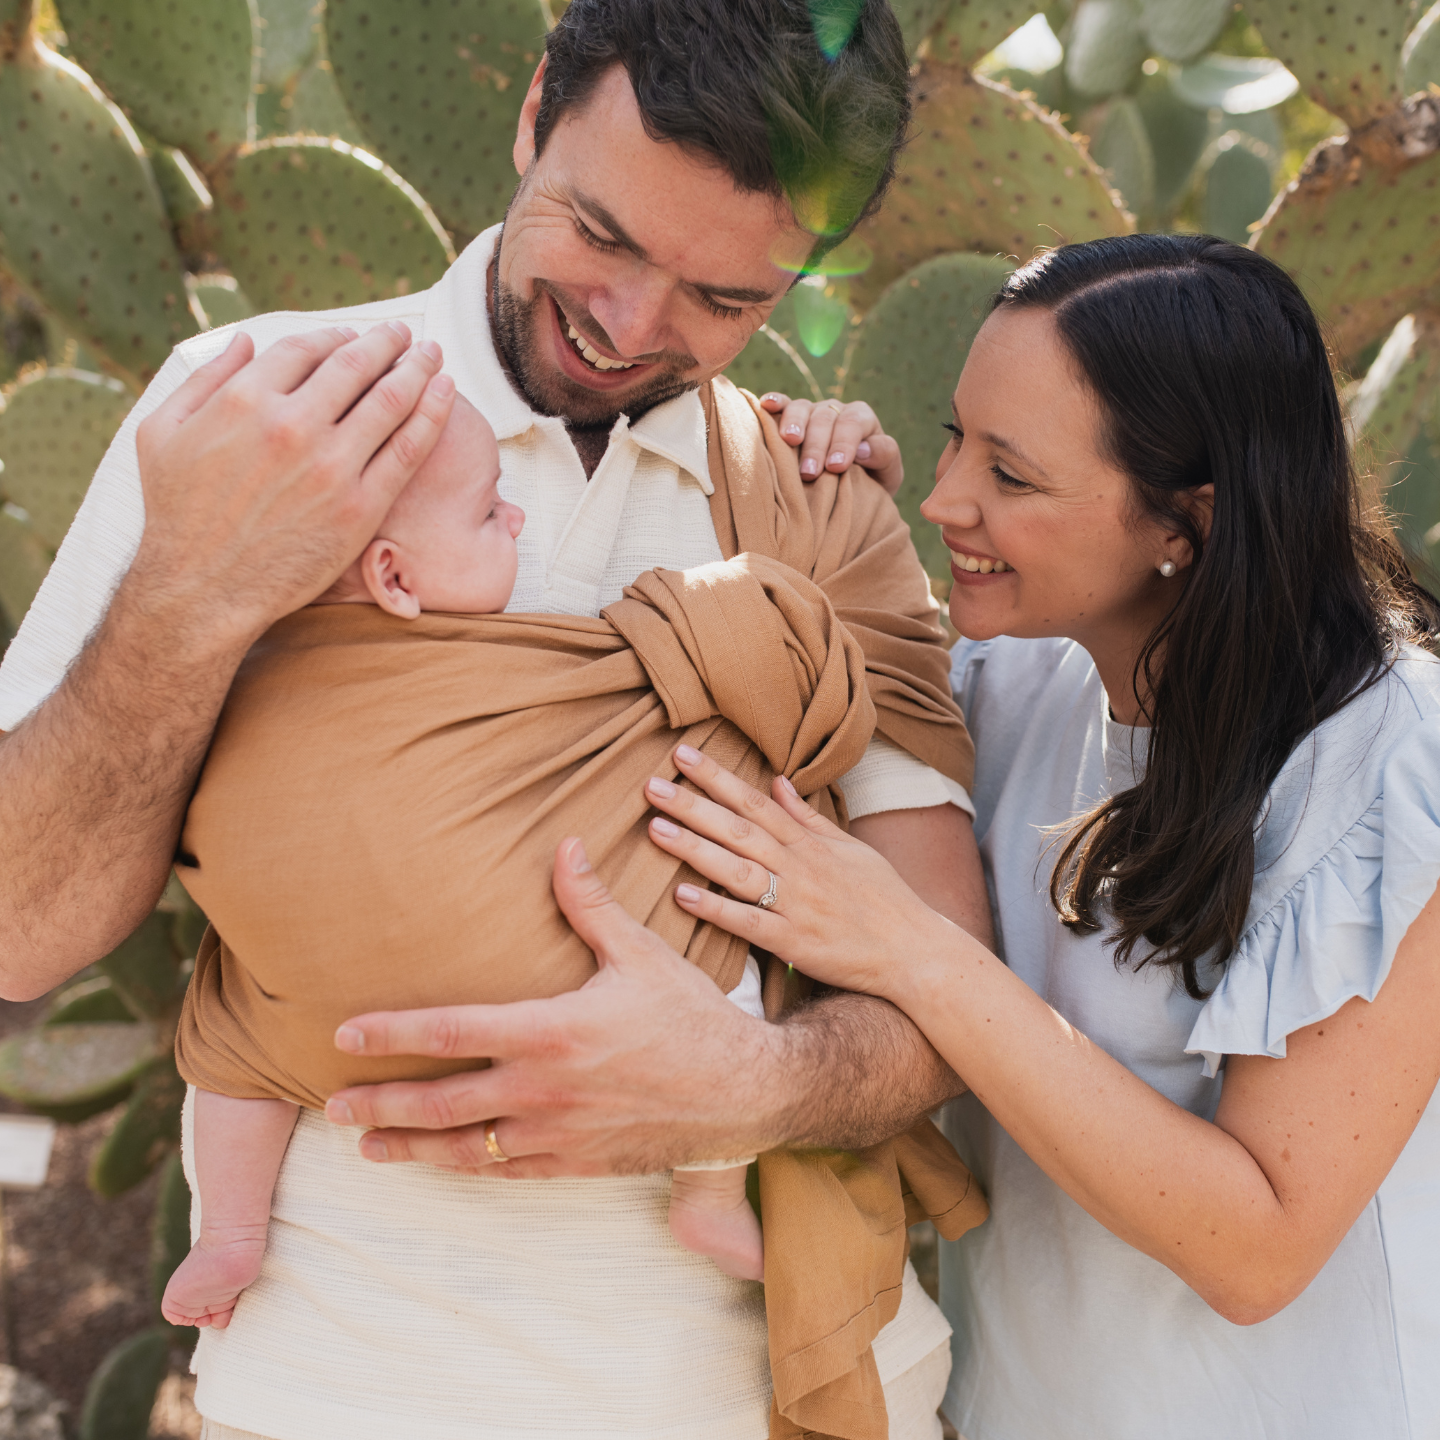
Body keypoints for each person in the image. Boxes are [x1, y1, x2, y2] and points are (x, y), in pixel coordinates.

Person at [0, 3, 993, 1437]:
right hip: (345, 1397)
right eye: (605, 234)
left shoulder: (816, 506)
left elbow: (952, 985)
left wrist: (755, 1087)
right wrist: (184, 598)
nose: (633, 328)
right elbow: (22, 929)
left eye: (726, 301)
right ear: (534, 110)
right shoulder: (251, 414)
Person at [629, 233, 1440, 1440]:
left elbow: (1260, 1245)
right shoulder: (1000, 690)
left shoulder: (1391, 754)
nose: (946, 497)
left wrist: (915, 951)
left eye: (1011, 474)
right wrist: (810, 489)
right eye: (955, 438)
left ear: (1188, 521)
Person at [160, 390, 980, 1333]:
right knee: (718, 964)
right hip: (340, 1376)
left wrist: (848, 499)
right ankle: (708, 1199)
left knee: (233, 1045)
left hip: (325, 1037)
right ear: (391, 575)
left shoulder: (261, 669)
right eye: (486, 513)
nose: (514, 514)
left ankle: (227, 1227)